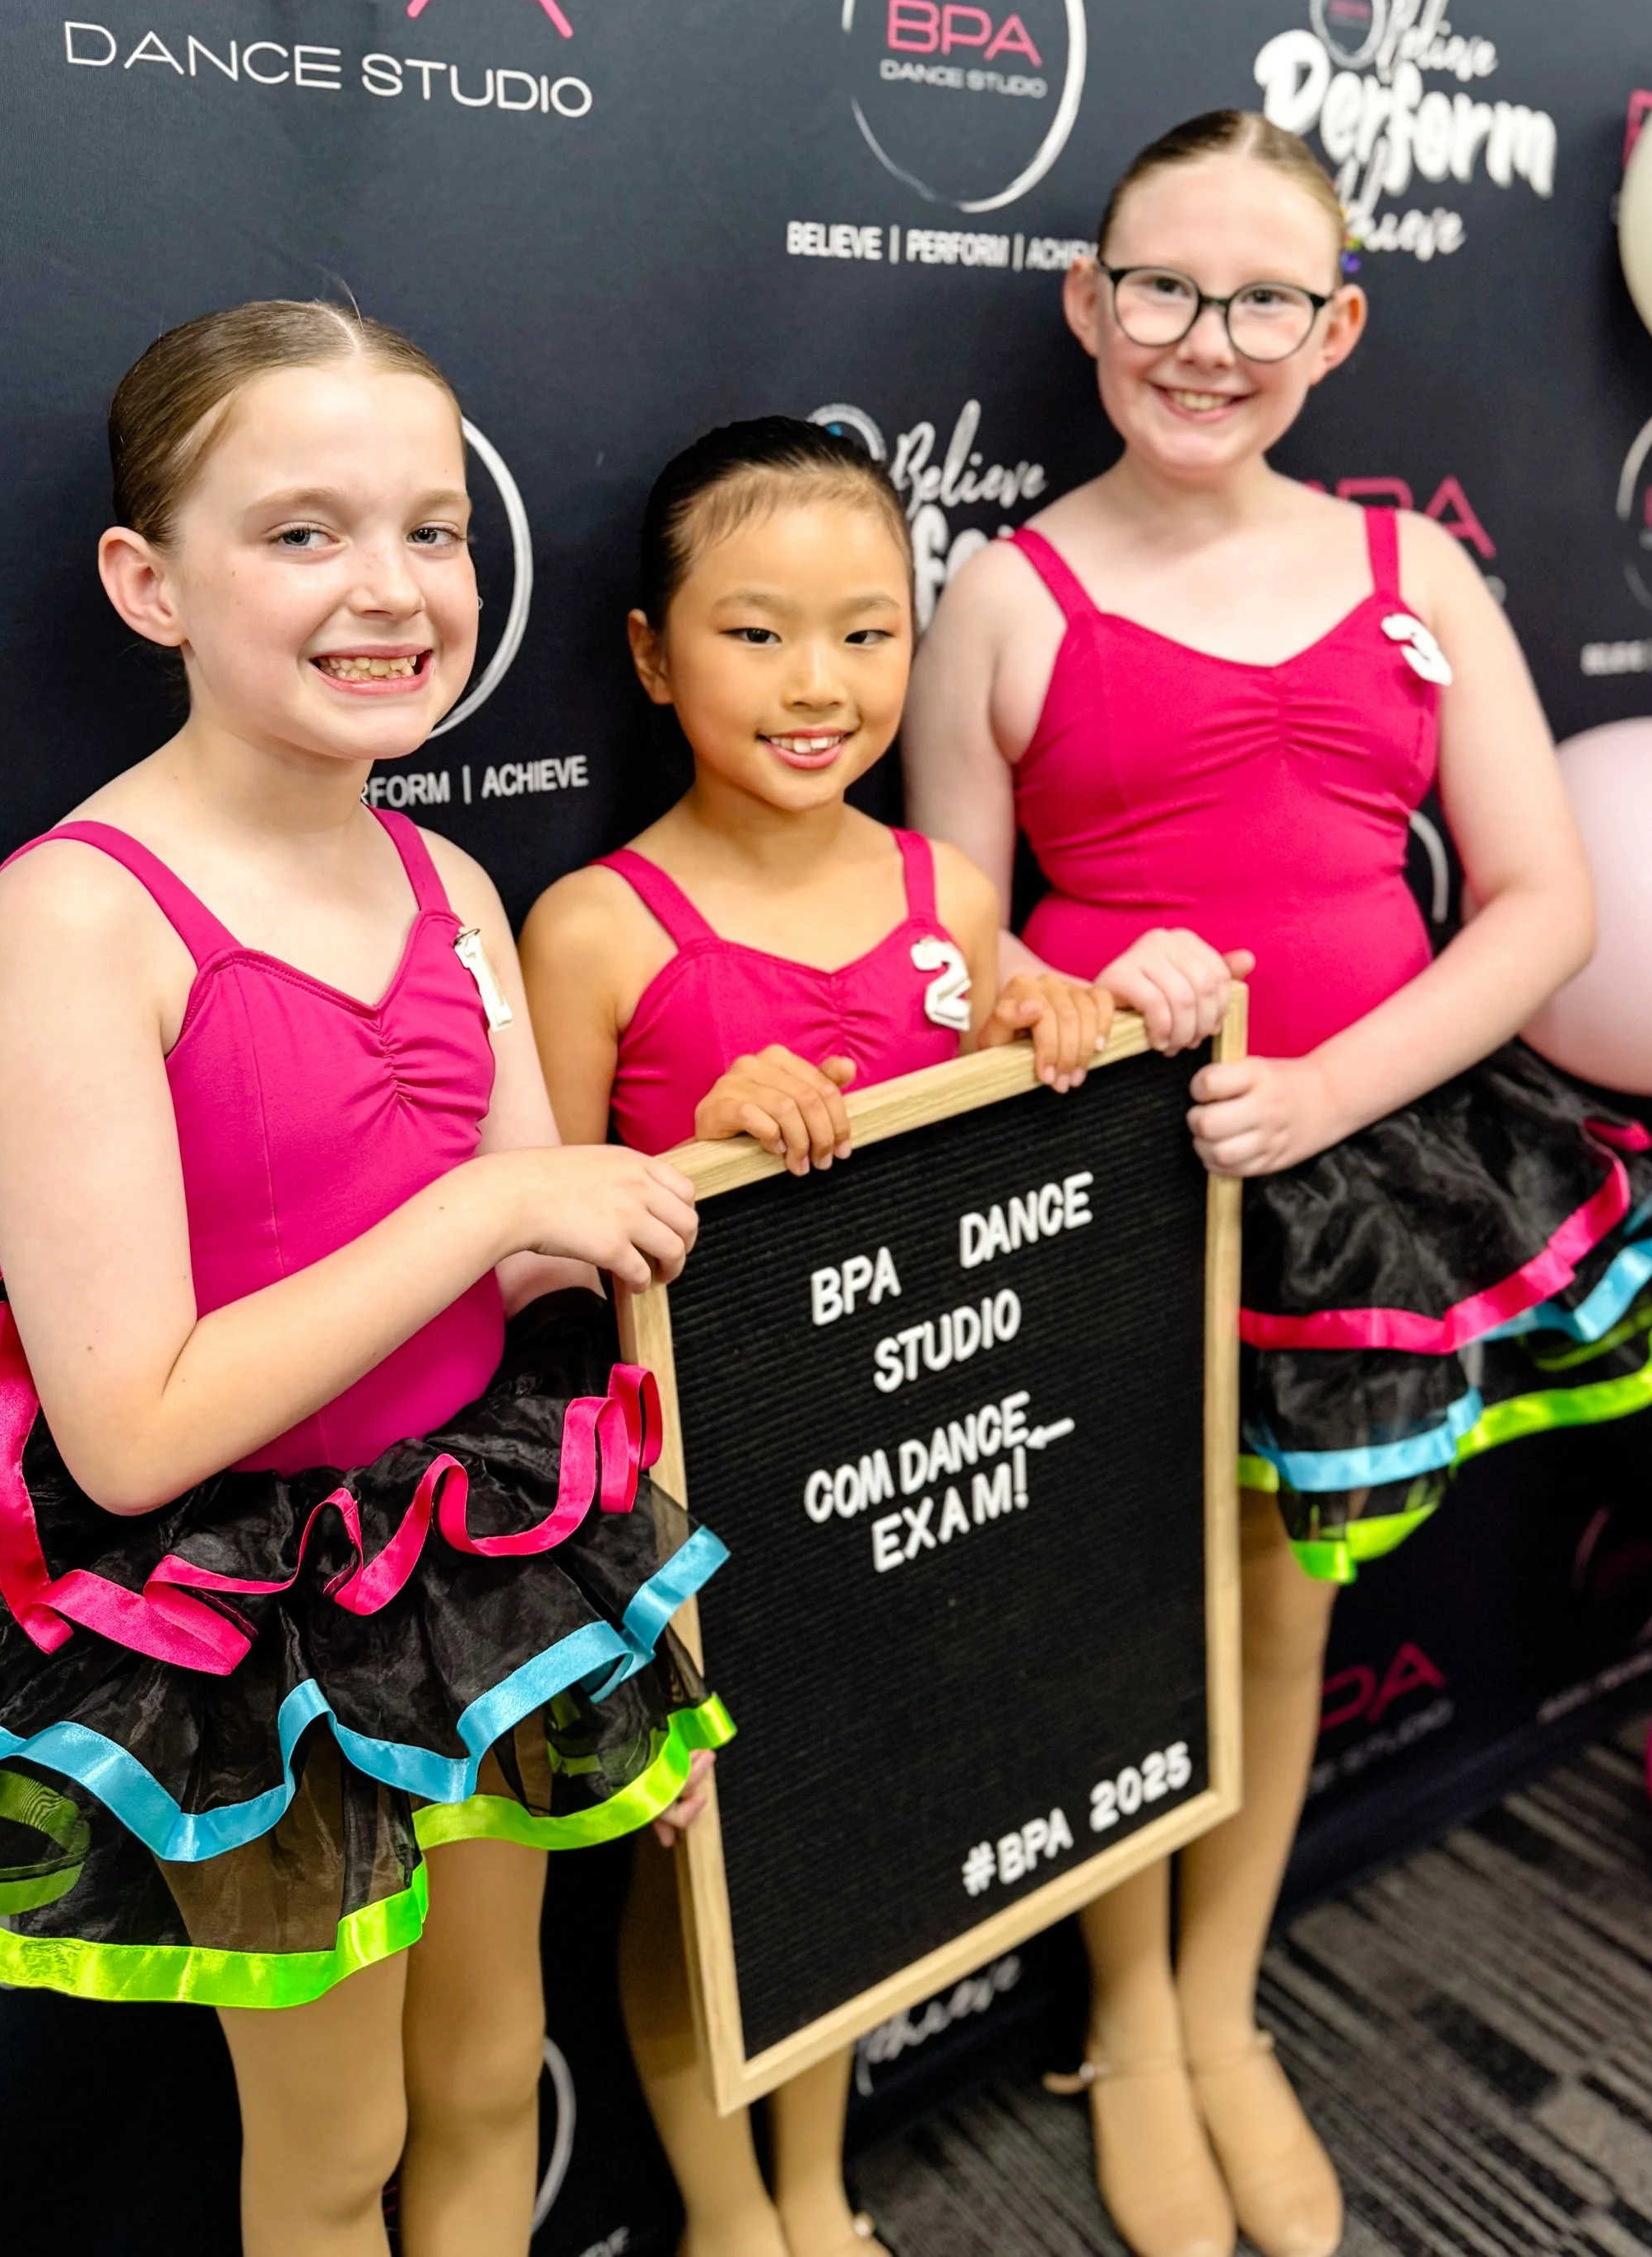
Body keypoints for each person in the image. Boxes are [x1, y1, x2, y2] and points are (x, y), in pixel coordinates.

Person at [903, 112, 1652, 2257]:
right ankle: (1121, 2015)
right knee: (1112, 1622)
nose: (1205, 336)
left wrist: (1327, 1085)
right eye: (1161, 284)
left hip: (1357, 1179)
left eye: (1263, 297)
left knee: (1280, 1606)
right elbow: (941, 935)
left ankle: (1214, 2005)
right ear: (1085, 300)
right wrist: (1067, 981)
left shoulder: (1406, 573)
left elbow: (1534, 903)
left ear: (1335, 328)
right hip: (1103, 1183)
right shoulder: (1003, 590)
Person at [0, 302, 728, 2257]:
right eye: (302, 532)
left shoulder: (453, 887)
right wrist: (479, 1214)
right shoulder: (77, 914)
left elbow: (526, 1277)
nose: (393, 589)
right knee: (329, 2148)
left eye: (433, 527)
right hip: (236, 1627)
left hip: (481, 1559)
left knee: (491, 2068)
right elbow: (132, 1417)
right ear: (148, 581)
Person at [520, 416, 1111, 2257]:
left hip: (902, 1484)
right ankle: (723, 2214)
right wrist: (691, 1143)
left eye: (865, 631)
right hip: (690, 1517)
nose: (816, 684)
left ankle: (818, 2190)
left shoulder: (951, 892)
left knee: (853, 1825)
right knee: (697, 1864)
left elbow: (990, 1201)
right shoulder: (595, 927)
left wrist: (1043, 1030)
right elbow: (520, 1269)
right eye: (754, 631)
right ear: (647, 652)